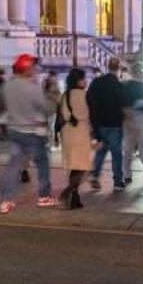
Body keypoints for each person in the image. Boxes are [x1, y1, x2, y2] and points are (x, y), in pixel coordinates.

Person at [0, 55, 55, 213]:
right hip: (33, 132)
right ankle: (44, 196)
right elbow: (45, 108)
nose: (34, 69)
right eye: (32, 67)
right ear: (27, 69)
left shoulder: (8, 86)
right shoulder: (32, 87)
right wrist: (50, 96)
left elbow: (7, 107)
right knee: (42, 163)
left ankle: (6, 200)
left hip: (15, 130)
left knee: (13, 166)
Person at [87, 58, 128, 192]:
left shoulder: (97, 82)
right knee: (116, 153)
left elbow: (89, 99)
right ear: (118, 69)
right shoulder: (119, 85)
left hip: (100, 122)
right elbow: (124, 104)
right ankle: (117, 180)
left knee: (101, 149)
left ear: (107, 66)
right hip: (115, 123)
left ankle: (94, 174)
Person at [59, 67, 93, 209]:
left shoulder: (65, 95)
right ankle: (67, 192)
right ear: (78, 80)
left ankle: (75, 197)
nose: (85, 81)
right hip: (81, 131)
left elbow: (60, 114)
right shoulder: (85, 95)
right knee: (82, 167)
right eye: (83, 79)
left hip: (67, 131)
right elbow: (90, 114)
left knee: (75, 166)